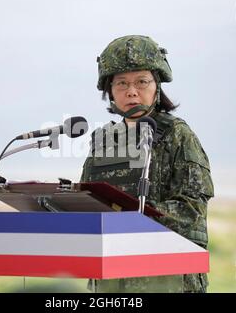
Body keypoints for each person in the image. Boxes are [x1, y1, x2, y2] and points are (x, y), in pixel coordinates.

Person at [80, 35, 214, 293]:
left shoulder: (177, 134)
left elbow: (192, 209)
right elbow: (88, 201)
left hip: (167, 277)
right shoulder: (102, 141)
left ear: (157, 87)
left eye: (141, 81)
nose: (131, 91)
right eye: (121, 83)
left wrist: (137, 218)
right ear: (110, 91)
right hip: (112, 278)